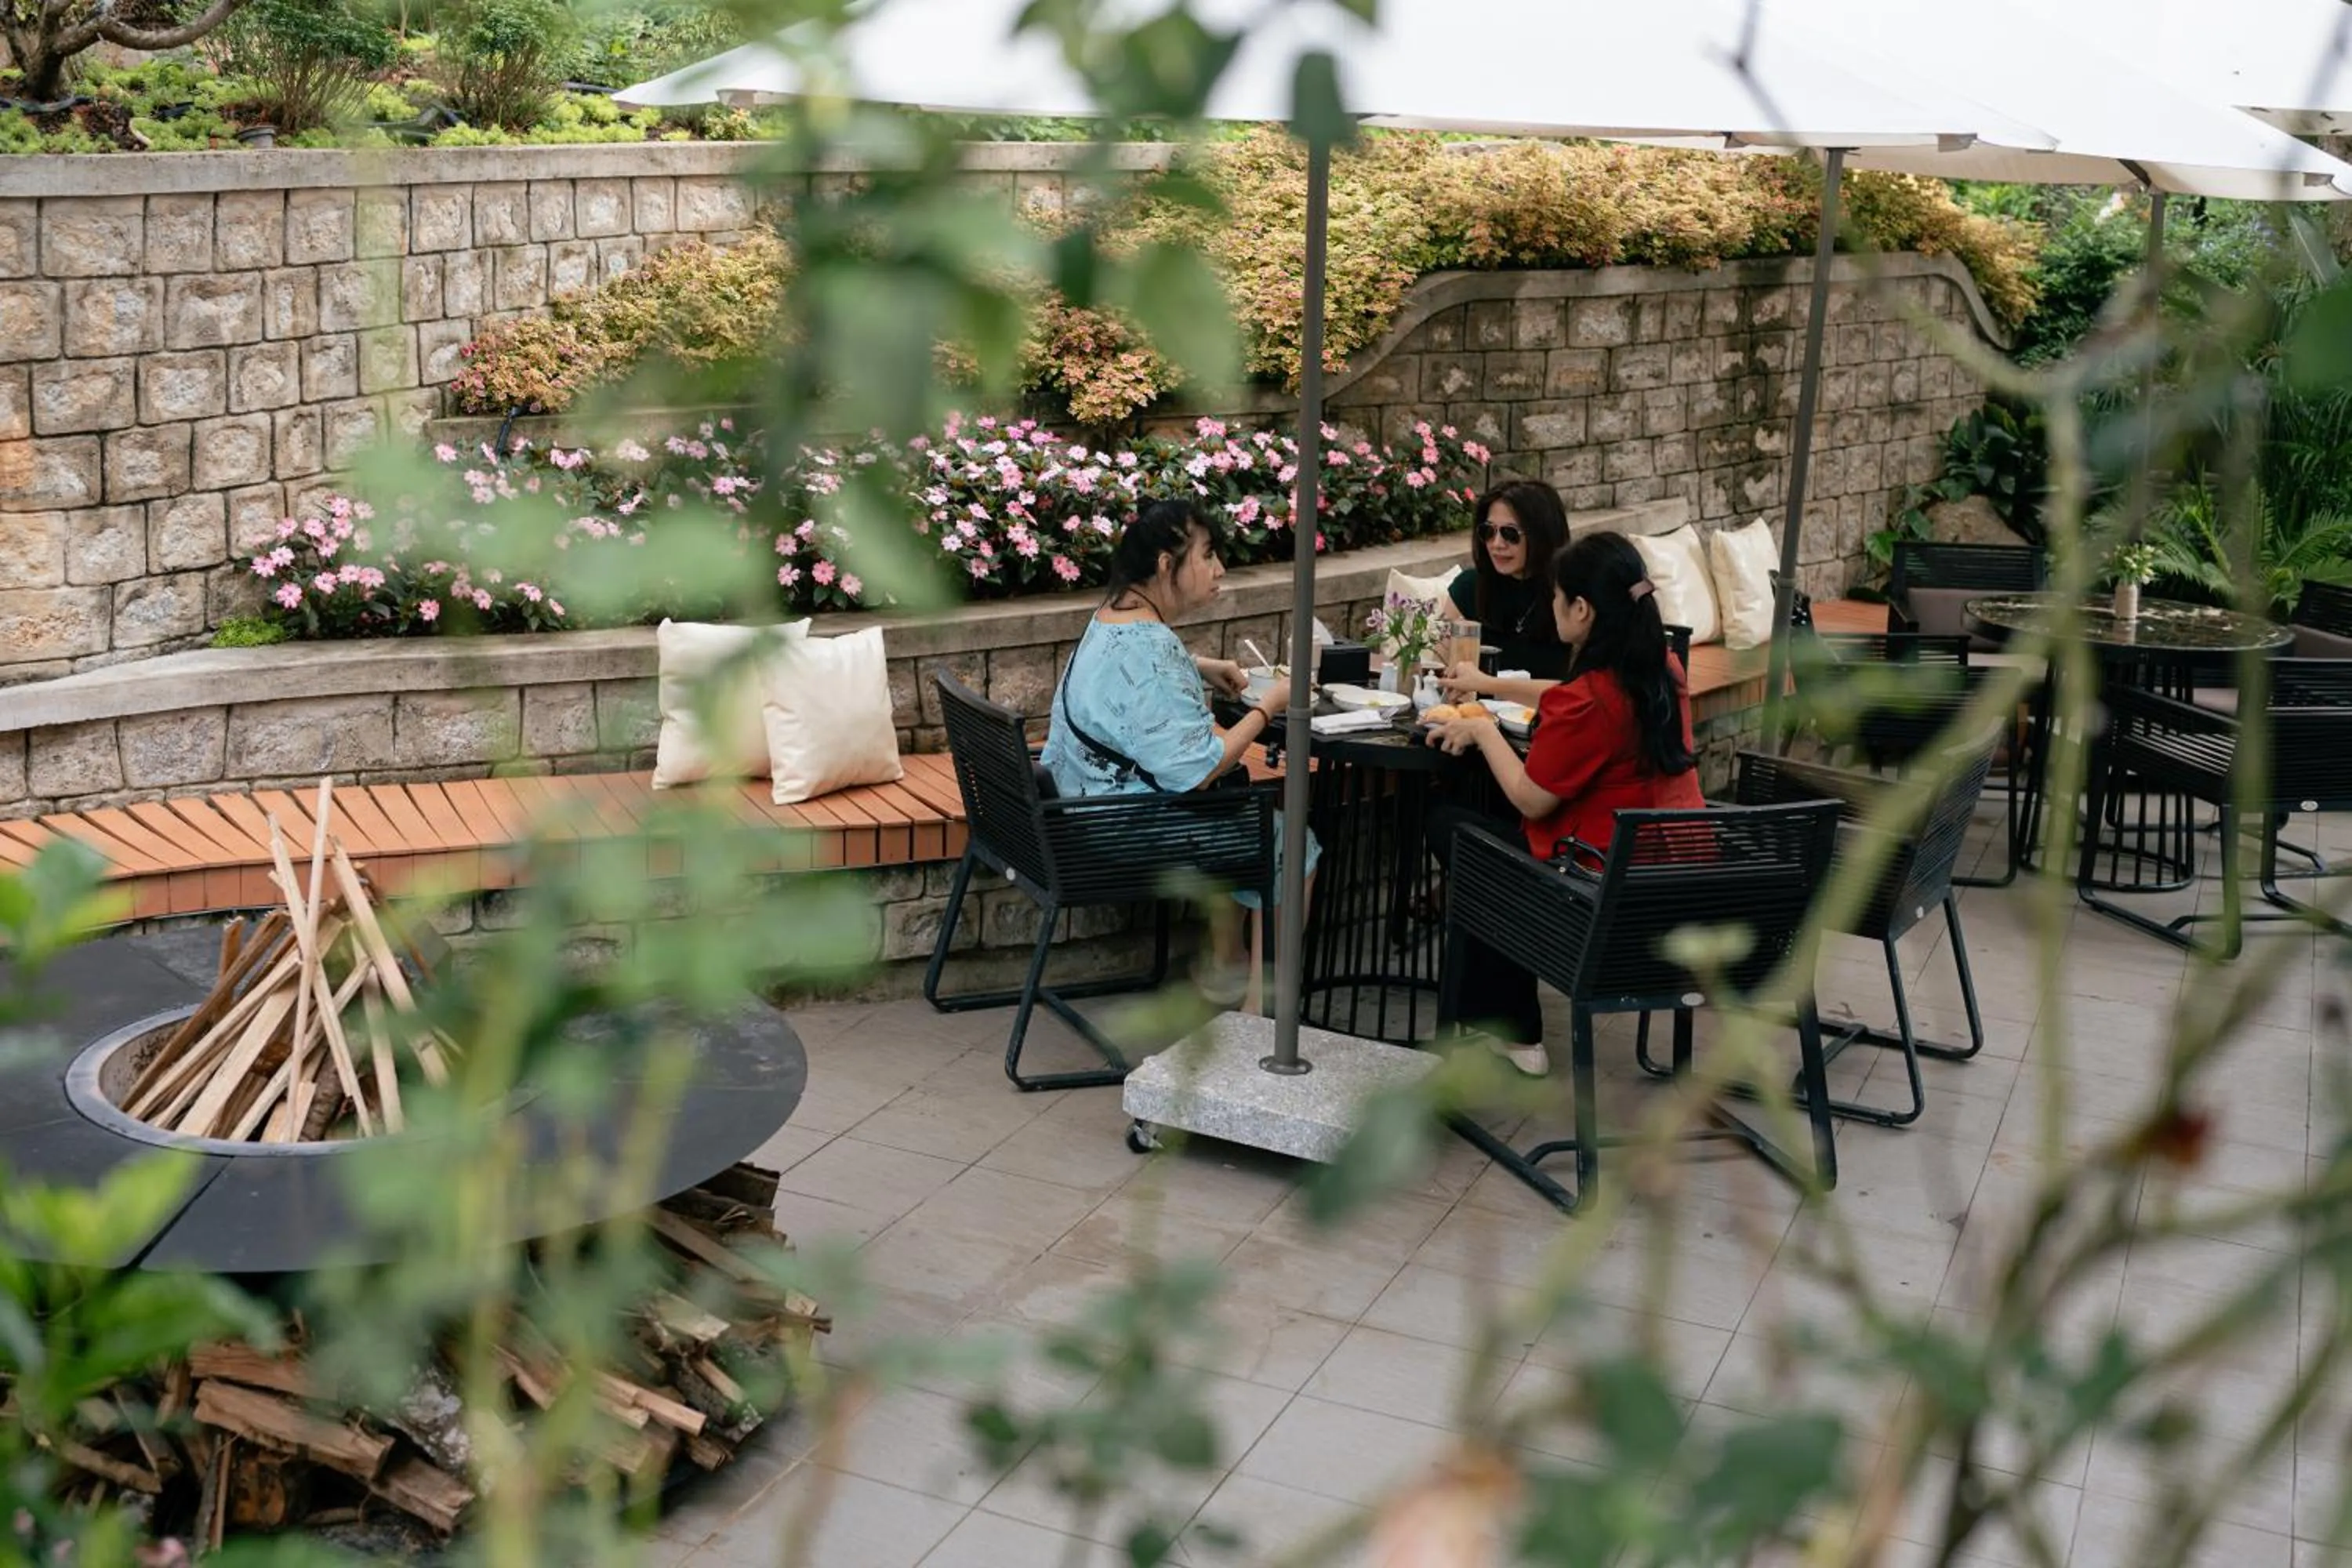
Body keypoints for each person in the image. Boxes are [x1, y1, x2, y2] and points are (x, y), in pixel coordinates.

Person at [1421, 531, 1705, 1075]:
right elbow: (1570, 695)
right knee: (1490, 836)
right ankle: (1499, 1024)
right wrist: (1491, 687)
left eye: (1557, 599)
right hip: (1674, 887)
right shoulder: (1662, 670)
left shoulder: (1592, 701)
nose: (1552, 610)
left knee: (1457, 833)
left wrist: (1481, 730)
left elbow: (1532, 799)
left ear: (1582, 608)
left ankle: (1515, 1028)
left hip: (1598, 902)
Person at [1040, 498, 1314, 1007]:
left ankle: (1226, 964)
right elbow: (1199, 770)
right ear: (1167, 565)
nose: (1219, 570)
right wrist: (1271, 706)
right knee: (1288, 839)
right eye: (1207, 556)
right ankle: (1262, 1014)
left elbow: (1130, 681)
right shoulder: (1152, 647)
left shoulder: (1111, 616)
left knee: (1248, 809)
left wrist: (1202, 665)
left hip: (1073, 814)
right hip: (1116, 831)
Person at [1434, 479, 1572, 706]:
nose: (1496, 544)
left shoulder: (1571, 594)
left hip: (1546, 726)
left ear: (1542, 535)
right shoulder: (1470, 586)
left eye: (1510, 534)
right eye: (1488, 531)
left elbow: (1581, 693)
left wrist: (1485, 684)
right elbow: (1435, 661)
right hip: (1471, 721)